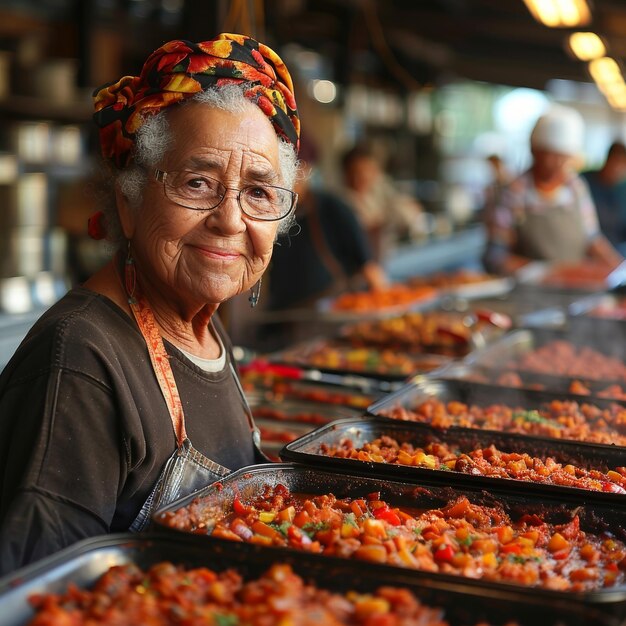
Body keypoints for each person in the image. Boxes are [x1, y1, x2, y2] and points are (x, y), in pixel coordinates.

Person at [0, 34, 300, 573]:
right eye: (197, 182)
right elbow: (40, 593)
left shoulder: (203, 330)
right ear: (129, 200)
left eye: (258, 192)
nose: (231, 220)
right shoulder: (81, 360)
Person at [482, 105, 622, 275]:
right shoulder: (513, 193)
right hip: (527, 296)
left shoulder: (576, 188)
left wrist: (619, 268)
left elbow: (591, 238)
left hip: (575, 290)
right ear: (534, 151)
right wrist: (545, 272)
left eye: (565, 158)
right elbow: (495, 257)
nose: (559, 165)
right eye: (553, 156)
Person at [267, 135, 388, 311]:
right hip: (283, 317)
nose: (285, 177)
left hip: (329, 313)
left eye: (293, 167)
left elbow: (371, 272)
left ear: (308, 169)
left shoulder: (332, 207)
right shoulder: (270, 209)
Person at [340, 144, 424, 260]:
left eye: (365, 171)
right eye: (354, 172)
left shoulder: (377, 192)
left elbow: (409, 211)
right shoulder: (342, 201)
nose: (359, 178)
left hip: (382, 260)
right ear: (345, 174)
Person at [581, 141, 626, 254]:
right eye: (616, 162)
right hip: (590, 247)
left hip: (618, 249)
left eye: (623, 165)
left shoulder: (622, 189)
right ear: (607, 160)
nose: (618, 169)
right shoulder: (583, 183)